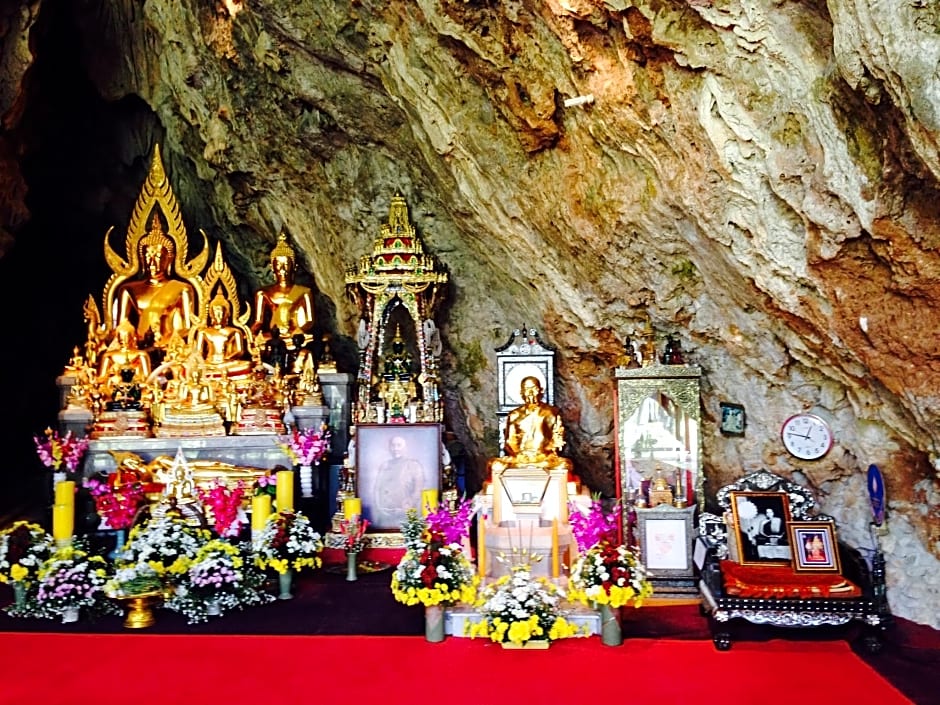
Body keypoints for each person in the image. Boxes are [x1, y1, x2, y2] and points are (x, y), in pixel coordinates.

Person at [114, 215, 197, 348]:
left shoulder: (182, 289)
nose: (152, 262)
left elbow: (189, 329)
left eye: (158, 256)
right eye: (148, 256)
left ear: (169, 259)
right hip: (137, 349)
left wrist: (166, 342)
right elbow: (119, 328)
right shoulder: (128, 289)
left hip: (171, 350)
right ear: (142, 259)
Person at [486, 376, 574, 481]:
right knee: (495, 465)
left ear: (540, 390)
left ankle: (531, 470)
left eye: (534, 388)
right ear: (521, 392)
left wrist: (543, 453)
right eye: (527, 389)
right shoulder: (514, 415)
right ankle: (528, 470)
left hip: (544, 458)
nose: (531, 393)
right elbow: (510, 441)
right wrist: (520, 454)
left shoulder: (551, 412)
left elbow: (557, 440)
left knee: (564, 466)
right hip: (520, 458)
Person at [251, 233, 315, 350]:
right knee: (261, 341)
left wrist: (298, 329)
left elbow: (310, 320)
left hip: (294, 336)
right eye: (278, 265)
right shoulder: (263, 293)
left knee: (304, 339)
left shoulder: (304, 291)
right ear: (272, 267)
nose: (282, 270)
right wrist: (249, 334)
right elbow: (258, 321)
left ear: (294, 267)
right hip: (273, 336)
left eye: (286, 265)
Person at [370, 434, 425, 529]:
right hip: (386, 514)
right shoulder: (385, 465)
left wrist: (410, 502)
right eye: (393, 445)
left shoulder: (413, 465)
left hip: (406, 514)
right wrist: (380, 508)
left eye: (399, 445)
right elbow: (377, 489)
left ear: (405, 448)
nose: (395, 449)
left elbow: (419, 489)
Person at [194, 292, 251, 377]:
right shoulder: (203, 332)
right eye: (216, 311)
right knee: (192, 367)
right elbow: (198, 352)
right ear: (211, 314)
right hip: (209, 363)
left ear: (227, 313)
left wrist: (227, 359)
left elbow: (240, 351)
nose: (218, 315)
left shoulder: (235, 331)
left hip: (228, 363)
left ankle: (215, 373)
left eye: (221, 311)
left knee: (246, 365)